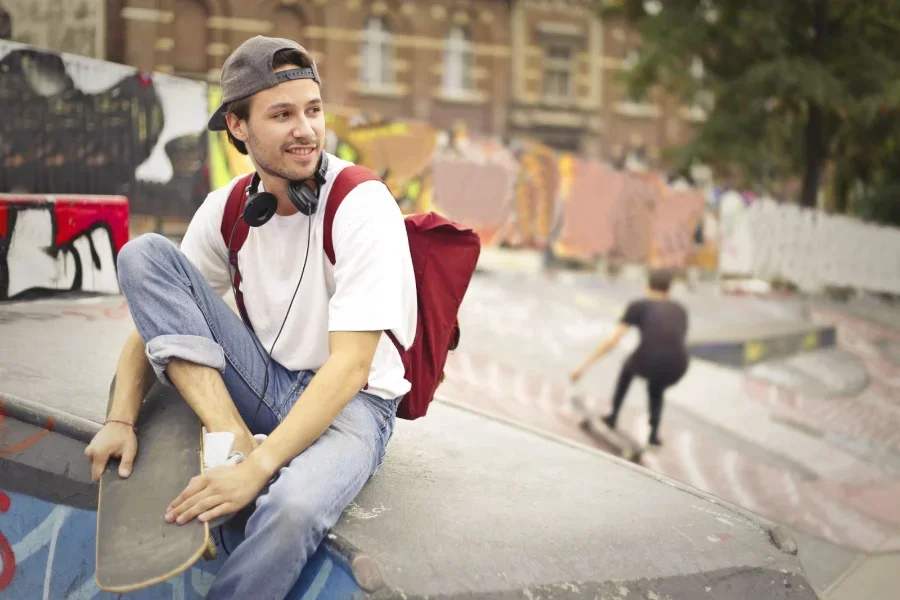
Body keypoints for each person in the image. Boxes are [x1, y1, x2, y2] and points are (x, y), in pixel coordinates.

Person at [83, 36, 416, 599]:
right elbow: (154, 315)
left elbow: (352, 367)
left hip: (352, 407)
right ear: (237, 126)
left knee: (292, 508)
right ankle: (226, 430)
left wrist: (257, 468)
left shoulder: (361, 203)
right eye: (281, 115)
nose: (305, 130)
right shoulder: (230, 208)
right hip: (266, 382)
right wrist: (120, 419)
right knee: (143, 254)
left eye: (312, 110)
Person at [569, 269, 688, 446]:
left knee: (627, 368)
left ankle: (612, 416)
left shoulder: (639, 305)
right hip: (679, 365)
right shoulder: (680, 309)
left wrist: (583, 367)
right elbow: (671, 340)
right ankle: (654, 435)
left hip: (652, 360)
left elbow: (613, 341)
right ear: (669, 290)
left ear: (648, 286)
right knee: (656, 387)